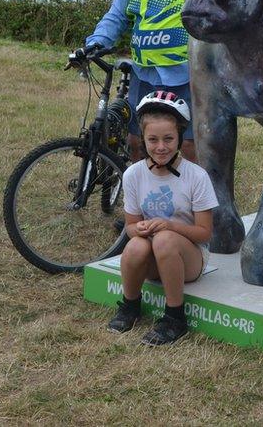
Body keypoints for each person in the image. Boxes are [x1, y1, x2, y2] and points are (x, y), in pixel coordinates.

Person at [74, 0, 196, 162]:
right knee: (136, 142)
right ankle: (144, 198)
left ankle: (187, 201)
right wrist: (96, 42)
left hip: (185, 73)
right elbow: (117, 15)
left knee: (188, 146)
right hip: (144, 74)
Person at [107, 90, 218, 345]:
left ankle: (175, 317)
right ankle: (130, 305)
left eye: (168, 139)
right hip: (153, 255)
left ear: (180, 138)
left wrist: (169, 226)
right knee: (135, 245)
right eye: (152, 139)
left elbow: (205, 233)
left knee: (165, 239)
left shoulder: (196, 176)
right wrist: (141, 229)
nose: (160, 147)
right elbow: (131, 226)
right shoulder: (133, 175)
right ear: (143, 140)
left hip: (188, 257)